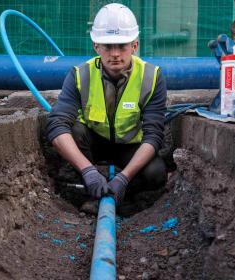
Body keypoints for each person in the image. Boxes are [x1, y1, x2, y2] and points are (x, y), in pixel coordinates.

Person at [46, 3, 167, 212]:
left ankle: (120, 196)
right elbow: (57, 126)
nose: (115, 54)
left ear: (135, 45)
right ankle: (90, 187)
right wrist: (88, 171)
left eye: (122, 46)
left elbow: (153, 136)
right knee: (73, 130)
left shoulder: (152, 77)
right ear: (96, 46)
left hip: (129, 145)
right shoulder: (80, 75)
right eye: (108, 46)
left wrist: (124, 178)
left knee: (156, 173)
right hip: (93, 143)